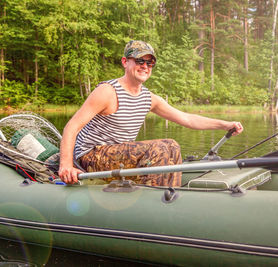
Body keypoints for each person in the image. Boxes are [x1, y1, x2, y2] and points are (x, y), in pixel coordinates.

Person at [58, 40, 243, 186]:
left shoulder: (148, 98)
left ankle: (170, 194)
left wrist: (224, 124)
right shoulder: (108, 91)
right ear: (125, 62)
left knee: (172, 145)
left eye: (150, 62)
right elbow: (71, 127)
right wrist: (66, 166)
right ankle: (154, 200)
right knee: (159, 149)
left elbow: (187, 119)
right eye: (139, 61)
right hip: (89, 157)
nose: (145, 66)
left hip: (116, 156)